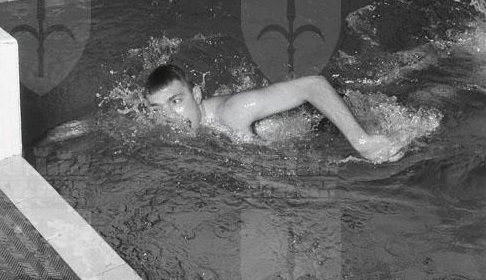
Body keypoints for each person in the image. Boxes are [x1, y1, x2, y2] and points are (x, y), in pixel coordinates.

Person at [143, 64, 409, 163]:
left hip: (332, 113)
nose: (170, 115)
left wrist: (362, 141)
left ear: (197, 95)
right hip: (314, 125)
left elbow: (313, 85)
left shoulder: (233, 111)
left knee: (413, 120)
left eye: (176, 101)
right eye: (159, 109)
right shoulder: (195, 126)